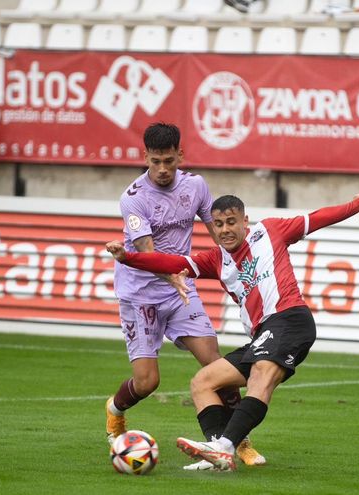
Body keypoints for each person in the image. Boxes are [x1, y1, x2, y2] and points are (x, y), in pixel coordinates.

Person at [107, 193, 359, 471]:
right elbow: (172, 263)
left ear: (245, 221)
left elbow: (316, 219)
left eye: (231, 222)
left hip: (289, 319)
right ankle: (217, 451)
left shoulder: (270, 231)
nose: (225, 230)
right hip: (263, 334)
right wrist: (128, 259)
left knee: (260, 376)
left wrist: (356, 205)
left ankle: (227, 446)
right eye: (218, 224)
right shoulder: (216, 259)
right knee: (203, 382)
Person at [105, 122, 265, 469]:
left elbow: (219, 232)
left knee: (216, 365)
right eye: (155, 161)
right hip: (140, 295)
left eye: (169, 161)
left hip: (180, 290)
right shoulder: (133, 199)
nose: (162, 169)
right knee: (148, 382)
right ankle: (115, 411)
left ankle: (234, 441)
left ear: (181, 155)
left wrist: (239, 270)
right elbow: (147, 253)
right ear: (144, 156)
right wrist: (175, 277)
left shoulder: (196, 186)